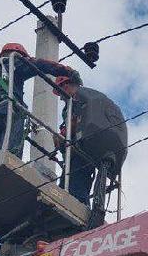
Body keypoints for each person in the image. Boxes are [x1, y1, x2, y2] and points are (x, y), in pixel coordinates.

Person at [0, 42, 80, 161]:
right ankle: (9, 168)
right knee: (10, 151)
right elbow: (40, 65)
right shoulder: (15, 63)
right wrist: (67, 72)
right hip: (8, 111)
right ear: (19, 55)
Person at [53, 75, 127, 228]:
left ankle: (76, 207)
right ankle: (83, 208)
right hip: (90, 150)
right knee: (78, 181)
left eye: (60, 93)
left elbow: (74, 124)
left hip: (81, 151)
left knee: (73, 183)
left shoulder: (77, 100)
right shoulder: (90, 97)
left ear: (66, 86)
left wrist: (62, 136)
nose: (60, 98)